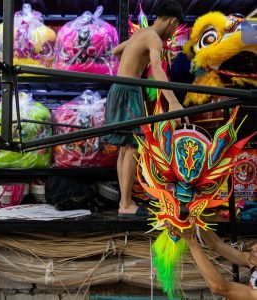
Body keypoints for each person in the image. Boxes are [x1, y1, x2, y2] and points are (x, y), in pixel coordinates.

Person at [105, 0, 188, 218]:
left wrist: (133, 52)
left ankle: (124, 203)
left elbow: (115, 50)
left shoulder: (141, 33)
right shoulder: (153, 38)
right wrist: (174, 102)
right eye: (175, 28)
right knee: (132, 147)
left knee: (125, 148)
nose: (172, 34)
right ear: (172, 21)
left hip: (117, 89)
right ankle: (126, 204)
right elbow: (158, 72)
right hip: (130, 91)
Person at [166, 223, 257, 299]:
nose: (253, 248)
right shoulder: (253, 261)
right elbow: (216, 245)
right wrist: (197, 219)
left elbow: (220, 288)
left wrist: (191, 241)